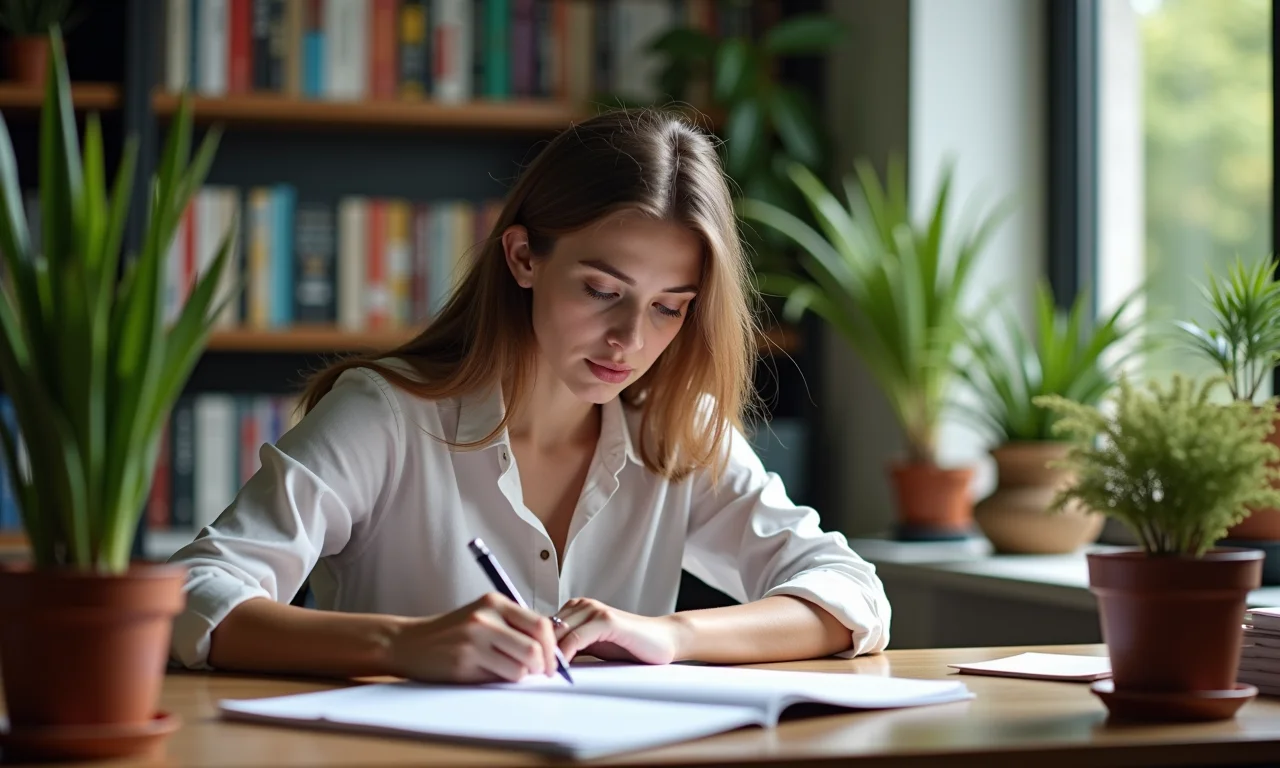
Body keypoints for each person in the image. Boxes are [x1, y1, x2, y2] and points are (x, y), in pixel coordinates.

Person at [167, 108, 891, 684]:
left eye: (669, 307)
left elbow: (849, 593)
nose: (628, 340)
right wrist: (402, 644)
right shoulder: (386, 414)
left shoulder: (675, 429)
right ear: (522, 257)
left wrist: (668, 636)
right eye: (602, 291)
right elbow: (193, 591)